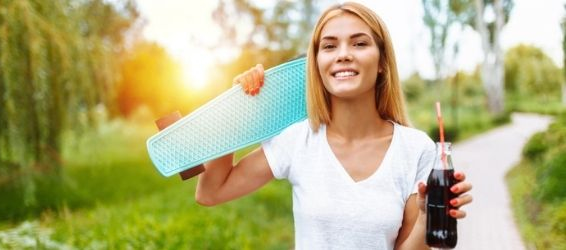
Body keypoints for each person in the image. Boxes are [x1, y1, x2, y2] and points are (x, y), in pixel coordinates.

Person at [195, 2, 473, 249]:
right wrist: (233, 111)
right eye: (329, 46)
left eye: (359, 43)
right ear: (316, 64)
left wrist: (427, 218)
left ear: (382, 63)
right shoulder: (297, 140)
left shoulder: (416, 149)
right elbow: (211, 192)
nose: (343, 54)